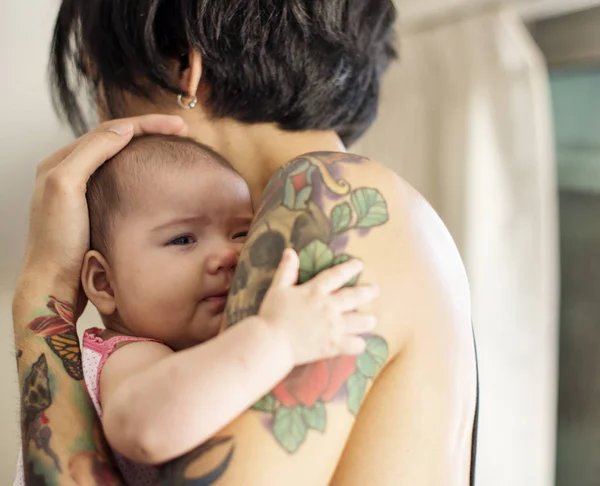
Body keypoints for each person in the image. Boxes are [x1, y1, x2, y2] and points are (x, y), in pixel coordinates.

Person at [13, 1, 479, 485]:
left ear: (181, 70)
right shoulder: (370, 210)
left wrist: (43, 291)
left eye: (98, 84)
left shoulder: (324, 193)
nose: (98, 117)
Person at [15, 134, 379, 485]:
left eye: (241, 233)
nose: (228, 255)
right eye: (183, 239)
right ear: (104, 283)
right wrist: (277, 339)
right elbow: (147, 429)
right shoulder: (126, 355)